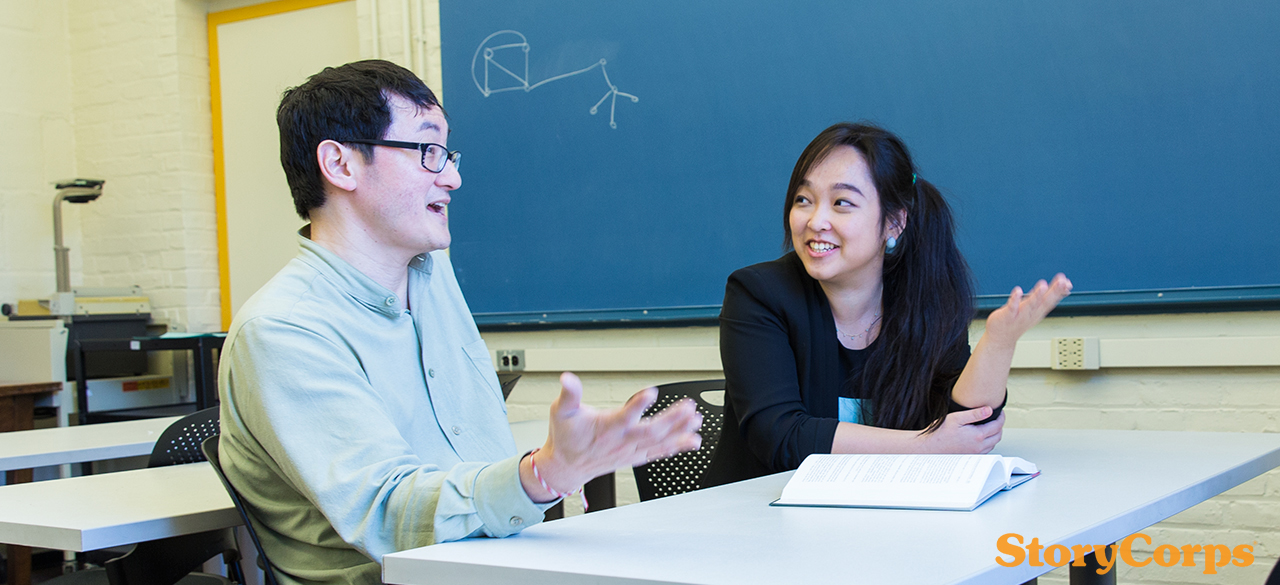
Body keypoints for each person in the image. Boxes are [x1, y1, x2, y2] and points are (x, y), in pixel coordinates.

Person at [216, 60, 702, 585]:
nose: (452, 176)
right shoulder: (283, 331)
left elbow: (473, 455)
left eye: (447, 153)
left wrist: (557, 471)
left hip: (503, 562)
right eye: (428, 152)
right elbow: (388, 514)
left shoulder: (429, 273)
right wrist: (542, 474)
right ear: (340, 164)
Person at [702, 122, 1071, 487]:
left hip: (882, 517)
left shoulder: (925, 299)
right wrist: (927, 446)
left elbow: (968, 428)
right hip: (759, 519)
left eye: (842, 203)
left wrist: (999, 342)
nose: (816, 221)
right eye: (804, 200)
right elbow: (779, 435)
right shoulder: (758, 293)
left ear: (893, 223)